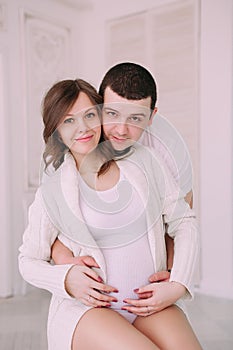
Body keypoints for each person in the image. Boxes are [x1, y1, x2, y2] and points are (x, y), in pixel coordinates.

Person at [18, 77, 202, 350]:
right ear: (56, 130)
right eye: (69, 120)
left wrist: (177, 284)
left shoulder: (143, 160)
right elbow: (28, 260)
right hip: (88, 311)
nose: (82, 128)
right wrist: (66, 279)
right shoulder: (52, 191)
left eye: (89, 115)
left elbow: (183, 220)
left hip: (146, 304)